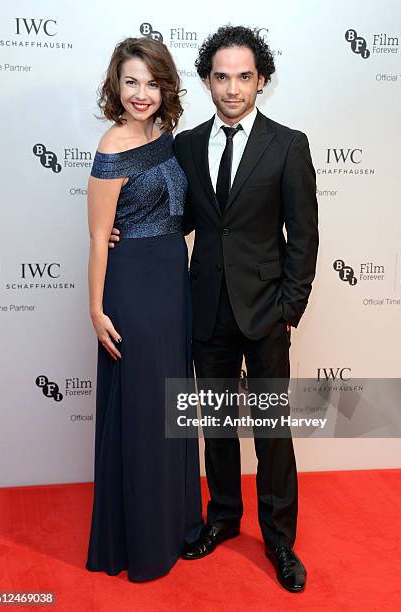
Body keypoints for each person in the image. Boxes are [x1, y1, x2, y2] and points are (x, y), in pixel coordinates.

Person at [109, 26, 318, 592]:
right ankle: (223, 516)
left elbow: (303, 236)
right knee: (218, 427)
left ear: (261, 80)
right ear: (206, 81)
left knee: (272, 431)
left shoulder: (288, 145)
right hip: (204, 308)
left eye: (243, 76)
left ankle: (279, 541)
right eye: (221, 77)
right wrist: (115, 234)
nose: (232, 88)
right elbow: (172, 213)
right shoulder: (185, 145)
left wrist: (288, 310)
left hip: (266, 310)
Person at [85, 36, 203, 582]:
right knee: (141, 409)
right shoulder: (111, 147)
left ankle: (177, 522)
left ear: (165, 87)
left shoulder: (165, 135)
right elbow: (97, 238)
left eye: (152, 83)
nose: (141, 93)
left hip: (171, 281)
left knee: (170, 404)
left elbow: (180, 209)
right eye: (131, 81)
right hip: (131, 285)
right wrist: (95, 308)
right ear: (117, 84)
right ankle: (141, 540)